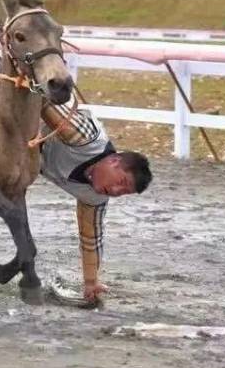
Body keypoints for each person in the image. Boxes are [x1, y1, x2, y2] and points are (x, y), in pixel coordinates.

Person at [39, 93, 153, 303]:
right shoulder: (85, 138)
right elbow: (43, 99)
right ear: (114, 161)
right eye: (122, 182)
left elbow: (91, 239)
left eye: (124, 193)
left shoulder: (95, 198)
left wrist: (90, 283)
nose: (117, 192)